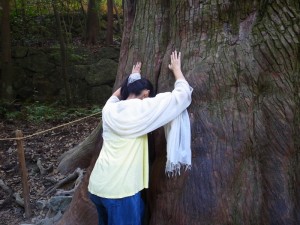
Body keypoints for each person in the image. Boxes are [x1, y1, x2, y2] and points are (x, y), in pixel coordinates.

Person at [88, 51, 192, 225]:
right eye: (147, 96)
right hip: (121, 192)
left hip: (97, 187)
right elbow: (182, 96)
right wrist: (177, 70)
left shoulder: (109, 110)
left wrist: (133, 79)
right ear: (146, 94)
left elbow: (116, 95)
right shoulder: (144, 109)